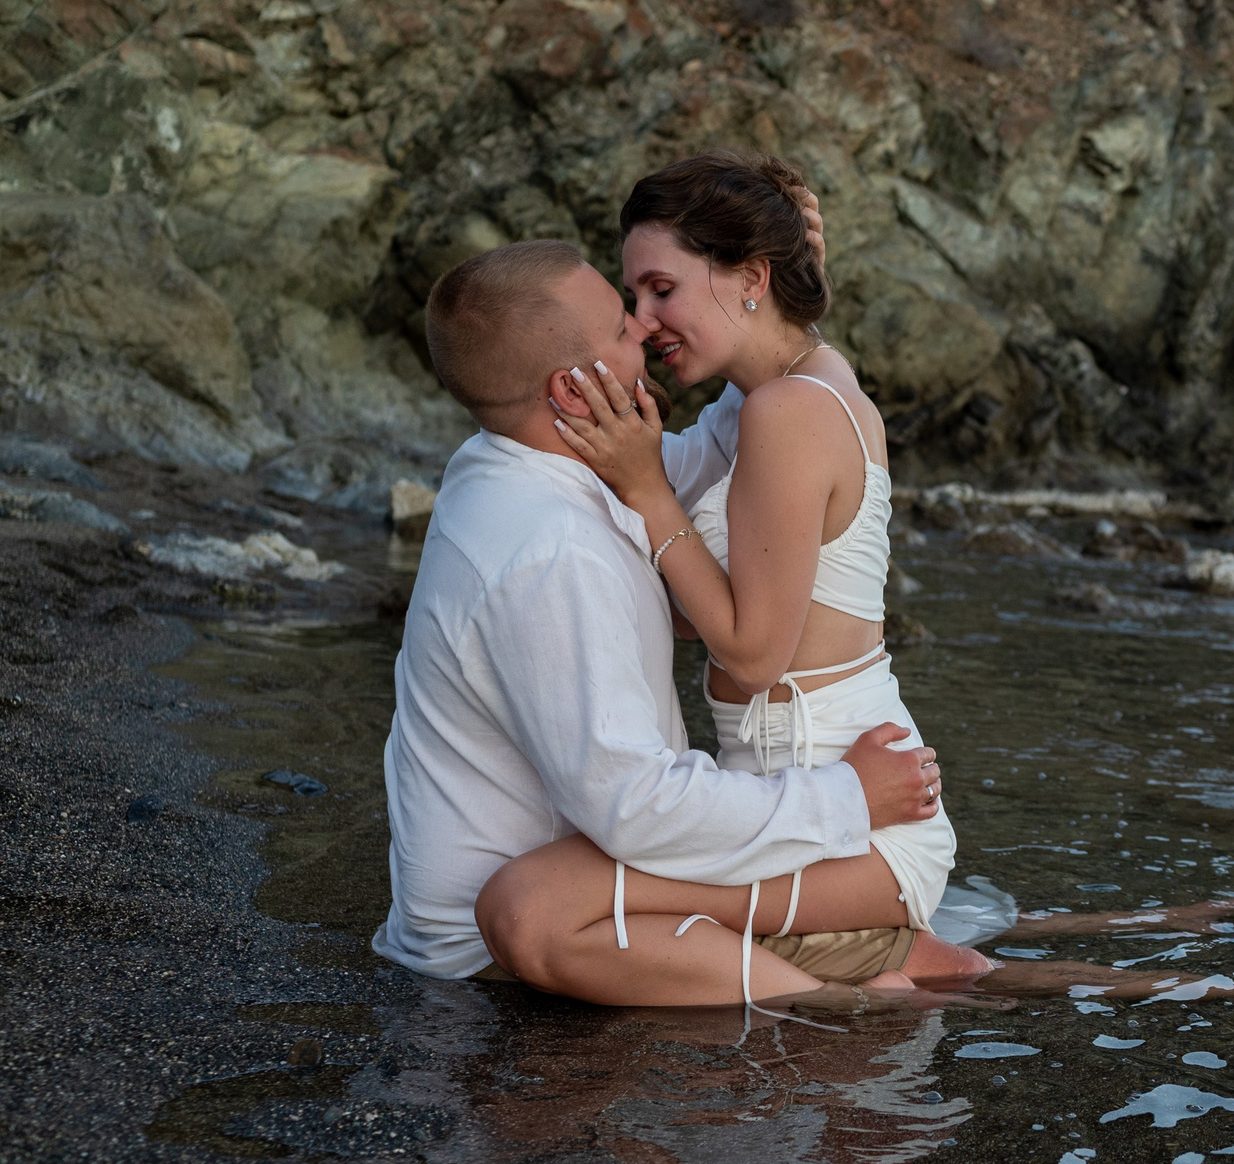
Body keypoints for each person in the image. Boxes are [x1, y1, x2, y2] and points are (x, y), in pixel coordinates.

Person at [374, 232, 974, 1012]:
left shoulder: (525, 462)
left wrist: (769, 304)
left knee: (908, 942)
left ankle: (906, 967)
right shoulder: (550, 551)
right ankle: (847, 1009)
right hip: (519, 935)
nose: (645, 329)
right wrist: (847, 797)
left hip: (593, 874)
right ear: (572, 390)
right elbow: (636, 807)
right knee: (904, 958)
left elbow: (726, 452)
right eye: (624, 327)